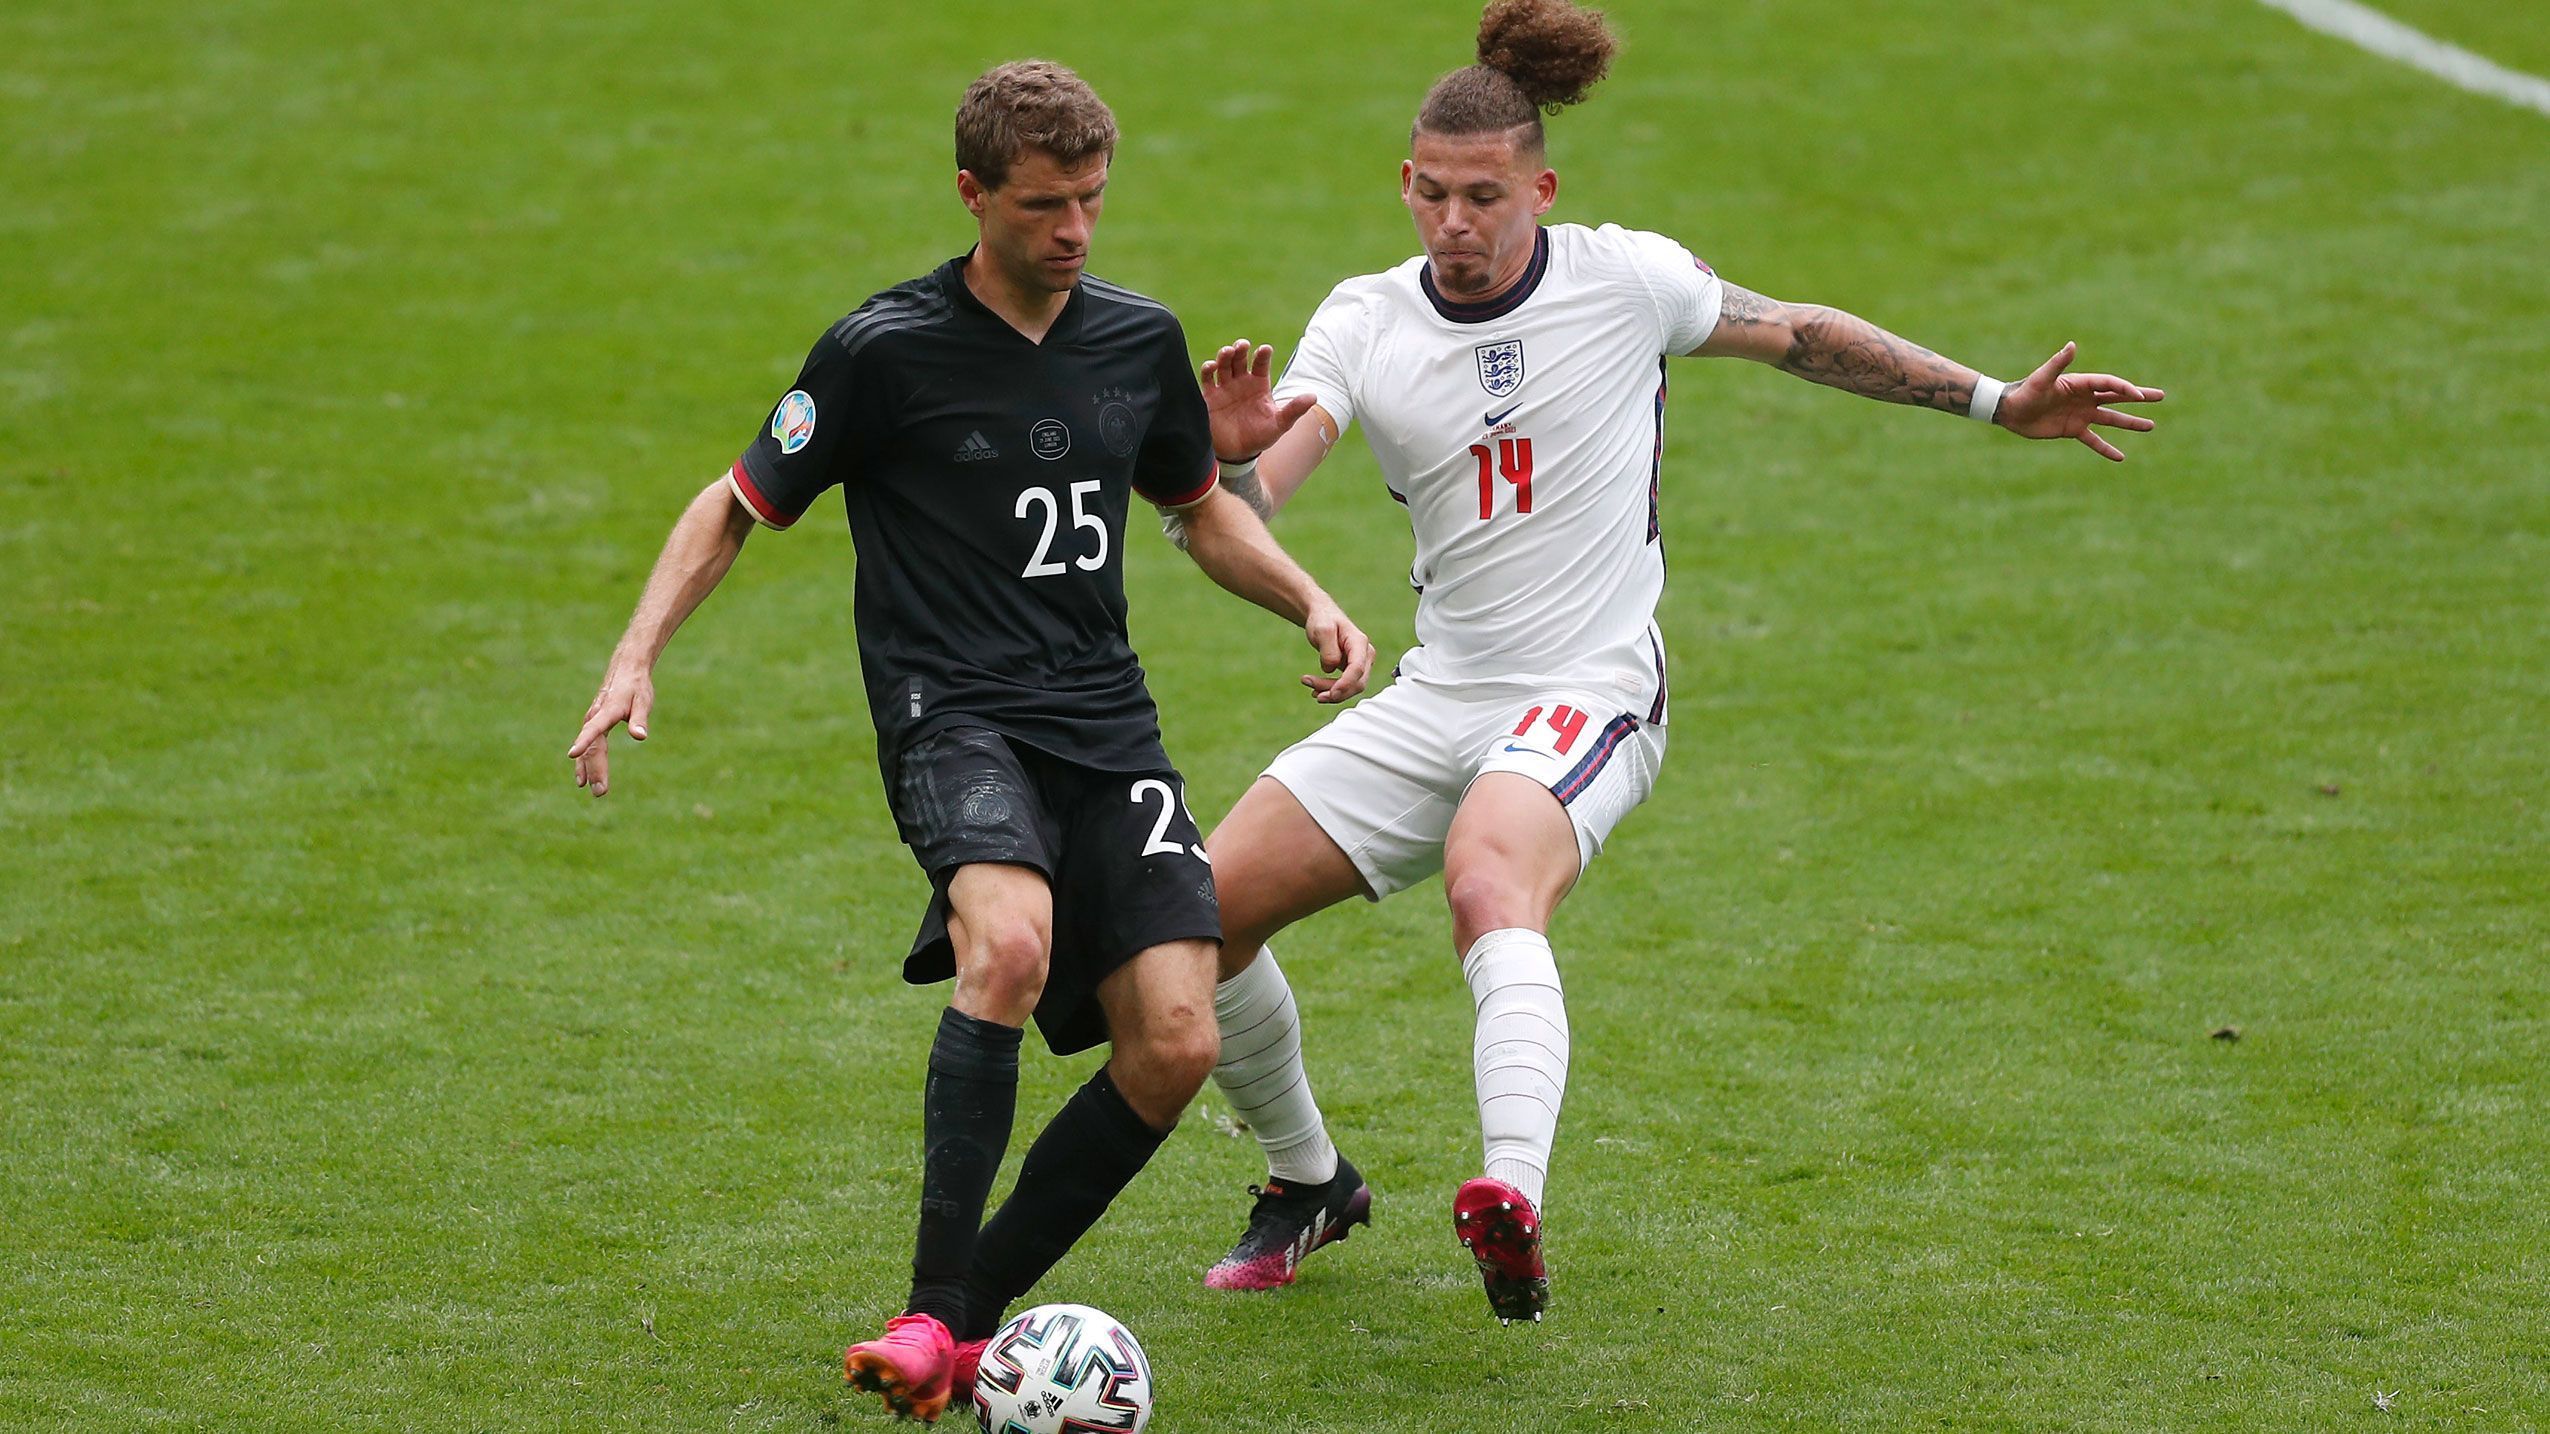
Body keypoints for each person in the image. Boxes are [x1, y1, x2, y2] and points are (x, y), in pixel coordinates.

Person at [1179, 0, 2165, 1324]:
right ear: (1402, 185)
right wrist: (1223, 457)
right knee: (1201, 913)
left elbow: (1800, 332)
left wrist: (1994, 400)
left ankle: (1508, 1195)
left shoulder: (1622, 278)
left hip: (1588, 685)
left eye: (1483, 197)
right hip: (1441, 689)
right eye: (1431, 195)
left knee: (1487, 874)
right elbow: (1256, 499)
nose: (1454, 224)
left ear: (1541, 187)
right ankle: (1308, 1183)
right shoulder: (1364, 319)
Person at [566, 60, 1374, 1421]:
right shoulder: (881, 351)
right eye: (1044, 204)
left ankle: (960, 1323)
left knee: (1175, 1042)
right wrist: (635, 650)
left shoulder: (1135, 339)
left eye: (1092, 202)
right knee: (1006, 943)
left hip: (1104, 721)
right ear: (971, 193)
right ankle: (932, 1311)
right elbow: (733, 500)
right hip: (957, 715)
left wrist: (1306, 593)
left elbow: (1197, 505)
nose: (1073, 231)